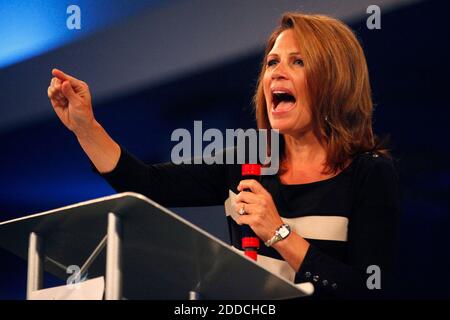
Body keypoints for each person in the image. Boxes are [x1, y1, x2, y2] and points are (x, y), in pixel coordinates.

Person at [47, 12, 400, 299]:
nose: (276, 72)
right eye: (272, 62)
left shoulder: (369, 174)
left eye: (298, 62)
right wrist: (86, 127)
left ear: (335, 80)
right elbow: (146, 184)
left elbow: (368, 288)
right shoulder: (244, 161)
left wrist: (279, 233)